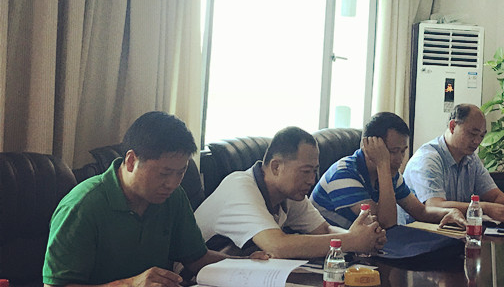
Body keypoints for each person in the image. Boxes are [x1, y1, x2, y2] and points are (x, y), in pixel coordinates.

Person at [43, 111, 266, 287]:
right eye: (164, 173)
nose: (172, 183)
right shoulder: (82, 206)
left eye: (180, 172)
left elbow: (196, 259)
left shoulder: (173, 197)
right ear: (131, 161)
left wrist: (248, 265)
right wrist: (130, 284)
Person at [195, 126, 385, 259]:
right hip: (194, 276)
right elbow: (277, 246)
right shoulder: (240, 187)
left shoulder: (290, 194)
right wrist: (351, 240)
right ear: (276, 167)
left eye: (314, 171)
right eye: (305, 171)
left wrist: (365, 237)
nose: (312, 180)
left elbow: (324, 230)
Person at [311, 112, 466, 229]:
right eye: (393, 151)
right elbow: (385, 224)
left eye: (403, 151)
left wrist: (449, 212)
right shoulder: (343, 174)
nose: (399, 159)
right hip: (330, 253)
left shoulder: (390, 173)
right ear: (369, 146)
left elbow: (421, 212)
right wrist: (383, 166)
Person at [403, 103, 504, 225]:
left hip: (453, 231)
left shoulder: (471, 159)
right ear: (452, 126)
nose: (477, 141)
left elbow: (495, 196)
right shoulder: (428, 159)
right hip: (418, 233)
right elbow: (435, 205)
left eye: (481, 136)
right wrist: (483, 208)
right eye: (473, 134)